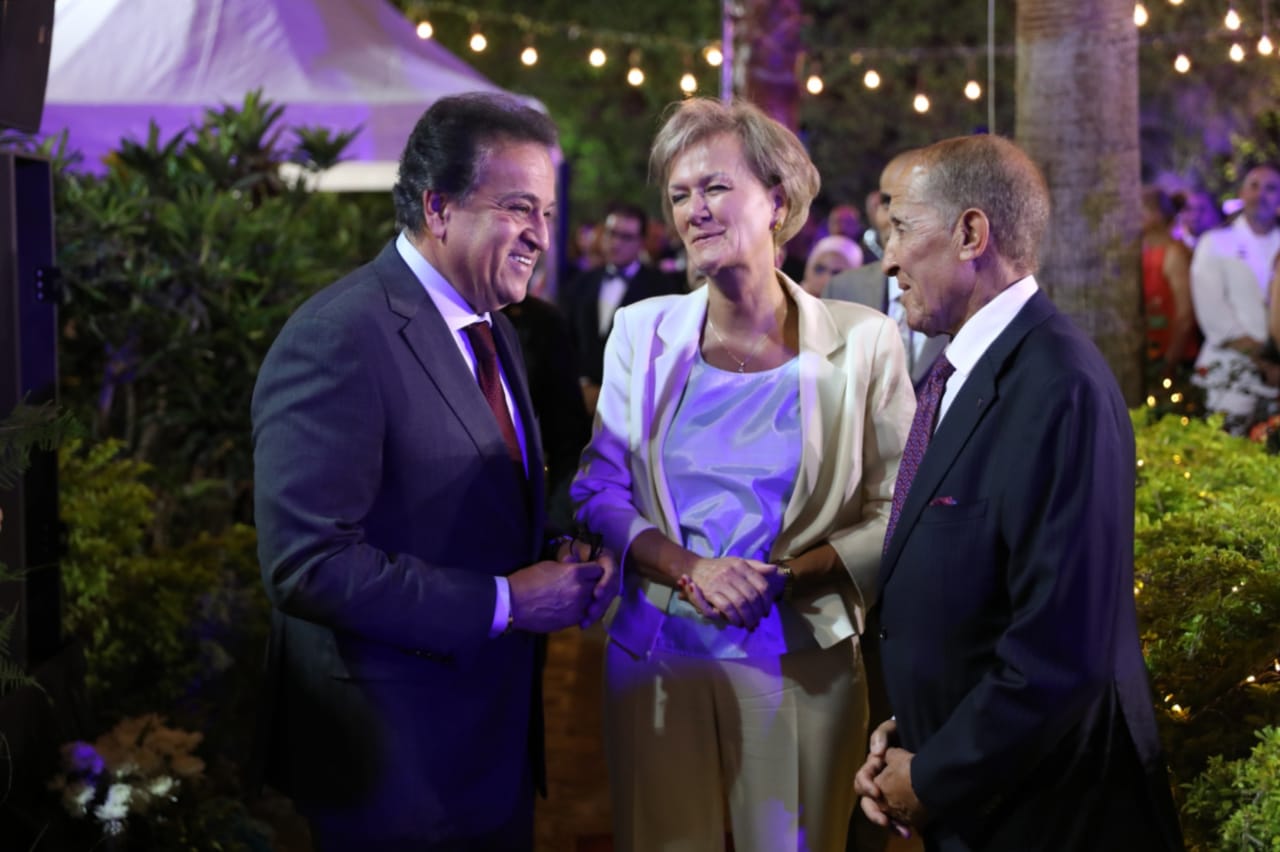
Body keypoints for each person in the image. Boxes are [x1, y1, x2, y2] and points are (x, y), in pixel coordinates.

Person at [251, 92, 619, 851]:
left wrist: (558, 551)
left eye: (547, 213)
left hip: (490, 751)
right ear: (438, 207)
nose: (540, 235)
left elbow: (479, 507)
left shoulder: (497, 329)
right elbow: (307, 563)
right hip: (391, 762)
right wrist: (508, 602)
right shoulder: (338, 335)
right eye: (518, 208)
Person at [571, 97, 915, 852]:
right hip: (656, 658)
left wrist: (787, 576)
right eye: (679, 194)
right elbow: (598, 490)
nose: (693, 209)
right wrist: (690, 568)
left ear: (778, 202)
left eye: (715, 187)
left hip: (804, 661)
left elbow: (898, 507)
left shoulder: (866, 342)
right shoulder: (639, 331)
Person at [854, 134, 1184, 851]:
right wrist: (916, 729)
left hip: (1050, 814)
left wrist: (933, 774)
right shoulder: (961, 372)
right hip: (983, 793)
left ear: (971, 233)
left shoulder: (1059, 386)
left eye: (901, 228)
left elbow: (1059, 649)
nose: (888, 259)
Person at [828, 151, 948, 390]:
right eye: (886, 202)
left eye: (909, 202)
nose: (892, 215)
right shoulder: (841, 290)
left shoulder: (962, 294)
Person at [560, 202, 683, 416]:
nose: (615, 242)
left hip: (634, 406)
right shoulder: (581, 283)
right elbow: (567, 341)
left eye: (626, 237)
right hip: (581, 404)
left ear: (641, 242)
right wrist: (581, 384)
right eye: (611, 233)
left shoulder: (661, 288)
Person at [1189, 163, 1280, 434]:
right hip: (1230, 371)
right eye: (1254, 185)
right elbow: (1212, 312)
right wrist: (1264, 359)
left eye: (1271, 188)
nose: (1260, 194)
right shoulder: (1216, 242)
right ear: (1242, 192)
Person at [1140, 185, 1198, 378]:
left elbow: (1185, 315)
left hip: (1175, 360)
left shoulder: (1174, 254)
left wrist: (1170, 362)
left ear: (1157, 215)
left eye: (1140, 209)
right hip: (1152, 355)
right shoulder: (1145, 255)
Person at [799, 233, 863, 297]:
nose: (826, 279)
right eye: (820, 269)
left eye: (837, 274)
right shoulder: (796, 296)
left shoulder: (857, 300)